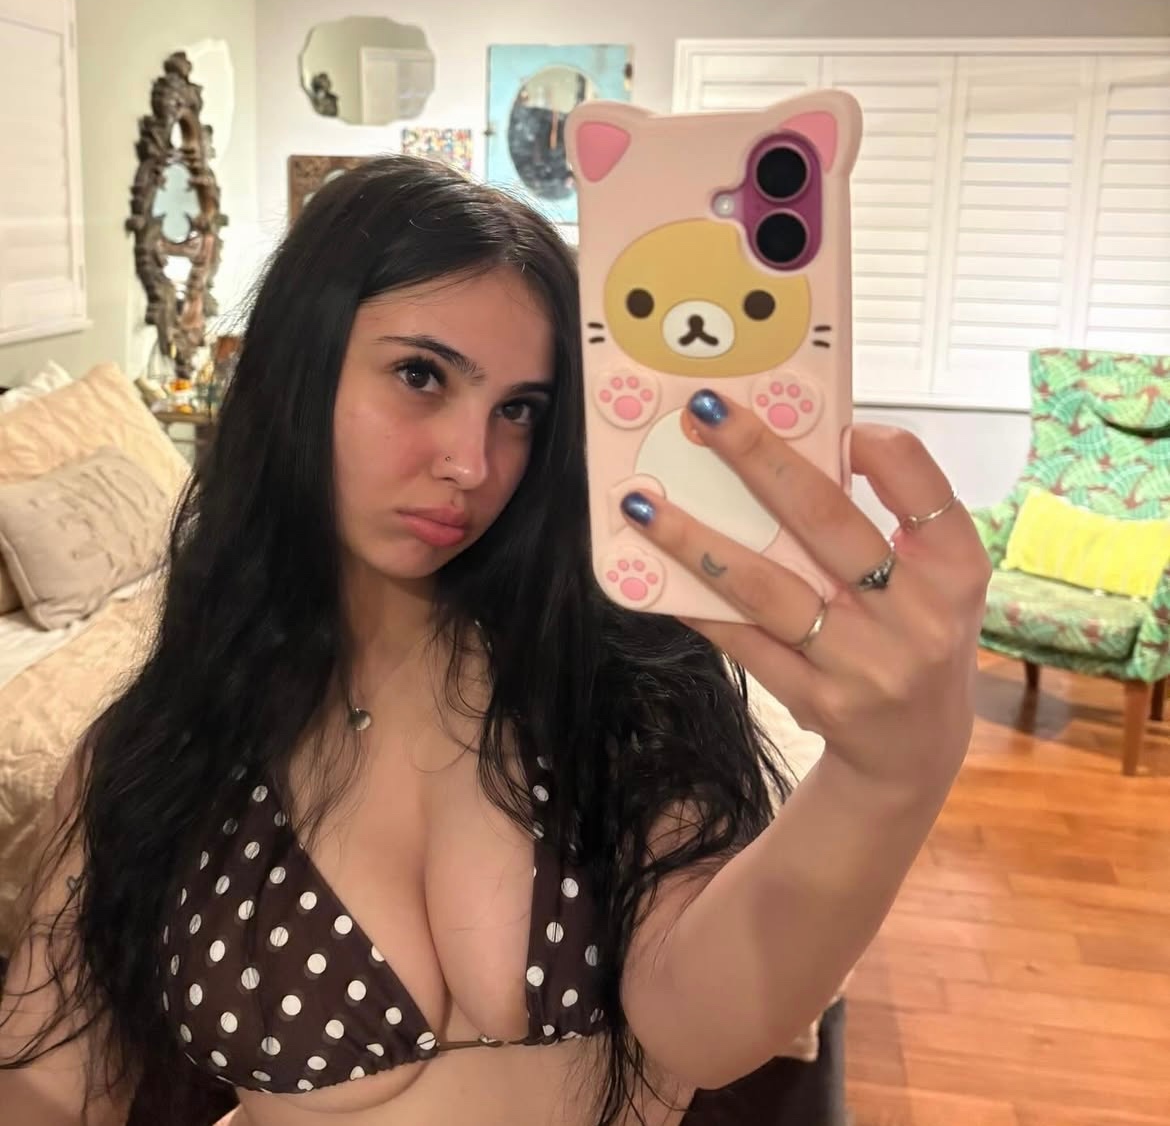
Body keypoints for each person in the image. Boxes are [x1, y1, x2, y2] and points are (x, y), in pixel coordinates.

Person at [0, 156, 989, 1126]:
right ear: (296, 372)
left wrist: (884, 779)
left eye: (520, 409)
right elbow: (47, 1084)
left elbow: (701, 1029)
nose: (474, 463)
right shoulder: (158, 751)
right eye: (421, 375)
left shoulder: (622, 675)